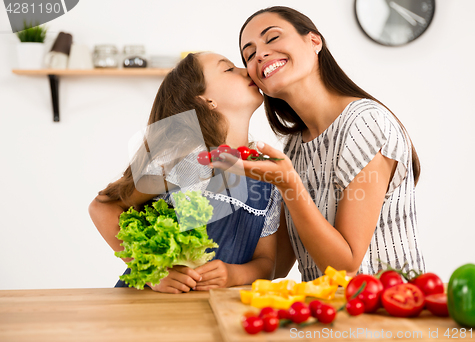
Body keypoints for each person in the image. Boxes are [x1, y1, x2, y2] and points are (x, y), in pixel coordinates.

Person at [216, 6, 426, 282]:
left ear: (314, 41)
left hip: (388, 314)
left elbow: (345, 267)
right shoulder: (292, 147)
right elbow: (277, 265)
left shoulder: (365, 124)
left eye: (273, 38)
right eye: (250, 54)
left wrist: (289, 183)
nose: (261, 54)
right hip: (326, 316)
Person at [88, 52, 281, 293]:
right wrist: (154, 272)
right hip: (146, 310)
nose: (246, 70)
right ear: (206, 100)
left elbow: (266, 264)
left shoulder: (266, 174)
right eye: (229, 69)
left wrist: (234, 274)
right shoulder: (184, 157)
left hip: (213, 315)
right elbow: (102, 206)